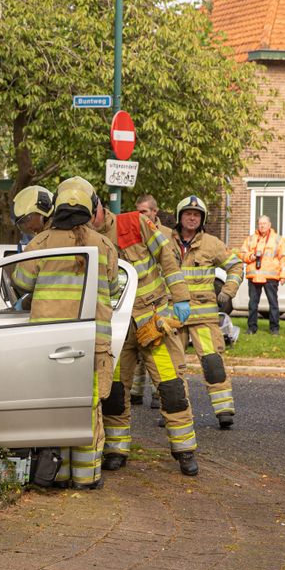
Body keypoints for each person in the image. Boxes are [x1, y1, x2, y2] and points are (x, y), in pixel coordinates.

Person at [12, 176, 119, 490]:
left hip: (48, 343)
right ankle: (86, 478)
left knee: (53, 406)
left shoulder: (41, 243)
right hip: (92, 343)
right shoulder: (104, 245)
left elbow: (20, 282)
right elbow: (113, 286)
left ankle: (55, 475)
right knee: (88, 408)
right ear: (90, 204)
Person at [91, 197, 199, 476]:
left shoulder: (133, 222)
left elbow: (167, 257)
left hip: (152, 319)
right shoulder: (85, 238)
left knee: (171, 388)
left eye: (92, 213)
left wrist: (181, 297)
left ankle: (185, 451)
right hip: (116, 325)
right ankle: (116, 450)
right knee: (114, 392)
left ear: (100, 207)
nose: (90, 219)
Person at [172, 196, 244, 429]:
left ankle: (224, 411)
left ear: (202, 219)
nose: (192, 218)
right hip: (173, 318)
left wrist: (228, 290)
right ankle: (175, 412)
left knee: (213, 363)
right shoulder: (166, 242)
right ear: (179, 217)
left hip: (203, 318)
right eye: (188, 213)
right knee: (172, 367)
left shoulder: (211, 243)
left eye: (197, 214)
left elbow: (236, 265)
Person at [130, 194, 166, 408]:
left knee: (156, 346)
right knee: (137, 347)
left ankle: (157, 394)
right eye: (137, 212)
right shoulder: (134, 234)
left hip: (160, 298)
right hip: (139, 298)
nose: (140, 216)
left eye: (143, 212)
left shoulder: (166, 234)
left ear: (154, 212)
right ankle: (135, 391)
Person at [241, 215, 285, 335]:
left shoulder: (277, 239)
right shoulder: (251, 239)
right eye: (260, 223)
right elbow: (242, 253)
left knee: (273, 304)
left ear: (269, 225)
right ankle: (251, 328)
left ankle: (274, 329)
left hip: (271, 277)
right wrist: (250, 256)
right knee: (252, 304)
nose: (262, 225)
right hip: (254, 276)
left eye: (264, 223)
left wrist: (284, 275)